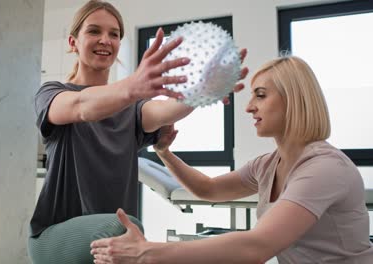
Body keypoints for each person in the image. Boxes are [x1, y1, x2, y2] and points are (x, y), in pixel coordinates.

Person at [90, 56, 373, 263]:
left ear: (295, 100)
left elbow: (257, 247)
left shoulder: (324, 168)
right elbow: (210, 189)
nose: (249, 107)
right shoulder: (267, 164)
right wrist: (164, 152)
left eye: (261, 96)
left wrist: (147, 252)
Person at [28, 0, 248, 263]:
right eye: (94, 31)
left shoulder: (131, 109)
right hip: (55, 237)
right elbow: (80, 107)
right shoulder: (52, 93)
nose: (105, 40)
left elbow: (165, 111)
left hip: (115, 235)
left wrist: (201, 90)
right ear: (73, 42)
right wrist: (133, 86)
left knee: (125, 237)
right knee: (123, 232)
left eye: (114, 34)